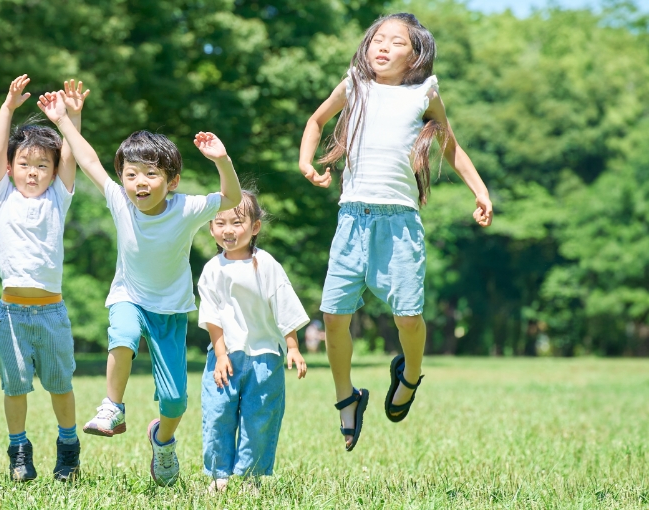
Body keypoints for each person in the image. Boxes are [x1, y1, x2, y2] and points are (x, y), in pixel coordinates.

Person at [297, 13, 493, 451]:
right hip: (352, 218)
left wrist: (480, 192)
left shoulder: (424, 92)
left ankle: (409, 374)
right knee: (333, 316)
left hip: (399, 223)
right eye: (377, 40)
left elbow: (451, 146)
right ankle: (346, 397)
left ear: (415, 54)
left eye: (395, 42)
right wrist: (306, 162)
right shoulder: (354, 85)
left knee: (407, 316)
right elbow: (315, 121)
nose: (382, 47)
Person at [37, 91, 243, 487]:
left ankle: (162, 441)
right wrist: (63, 120)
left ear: (172, 180)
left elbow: (232, 197)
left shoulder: (187, 208)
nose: (139, 183)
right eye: (131, 174)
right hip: (128, 295)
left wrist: (221, 159)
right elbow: (89, 161)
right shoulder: (120, 201)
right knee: (123, 335)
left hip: (170, 310)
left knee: (175, 401)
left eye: (150, 175)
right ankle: (112, 406)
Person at [0, 75, 88, 482]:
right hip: (11, 314)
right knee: (15, 388)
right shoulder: (2, 196)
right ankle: (19, 450)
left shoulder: (57, 199)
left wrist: (72, 118)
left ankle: (68, 447)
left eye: (42, 165)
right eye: (25, 165)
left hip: (51, 314)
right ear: (10, 169)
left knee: (60, 385)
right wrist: (7, 107)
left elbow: (72, 157)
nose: (33, 172)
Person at [197, 190, 309, 492]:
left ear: (255, 226)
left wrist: (293, 347)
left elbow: (282, 303)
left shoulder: (267, 264)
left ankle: (250, 476)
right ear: (211, 228)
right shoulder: (212, 270)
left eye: (237, 222)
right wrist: (220, 355)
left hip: (264, 356)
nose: (228, 230)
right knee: (218, 414)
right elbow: (212, 317)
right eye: (220, 223)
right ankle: (219, 474)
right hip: (224, 358)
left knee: (259, 417)